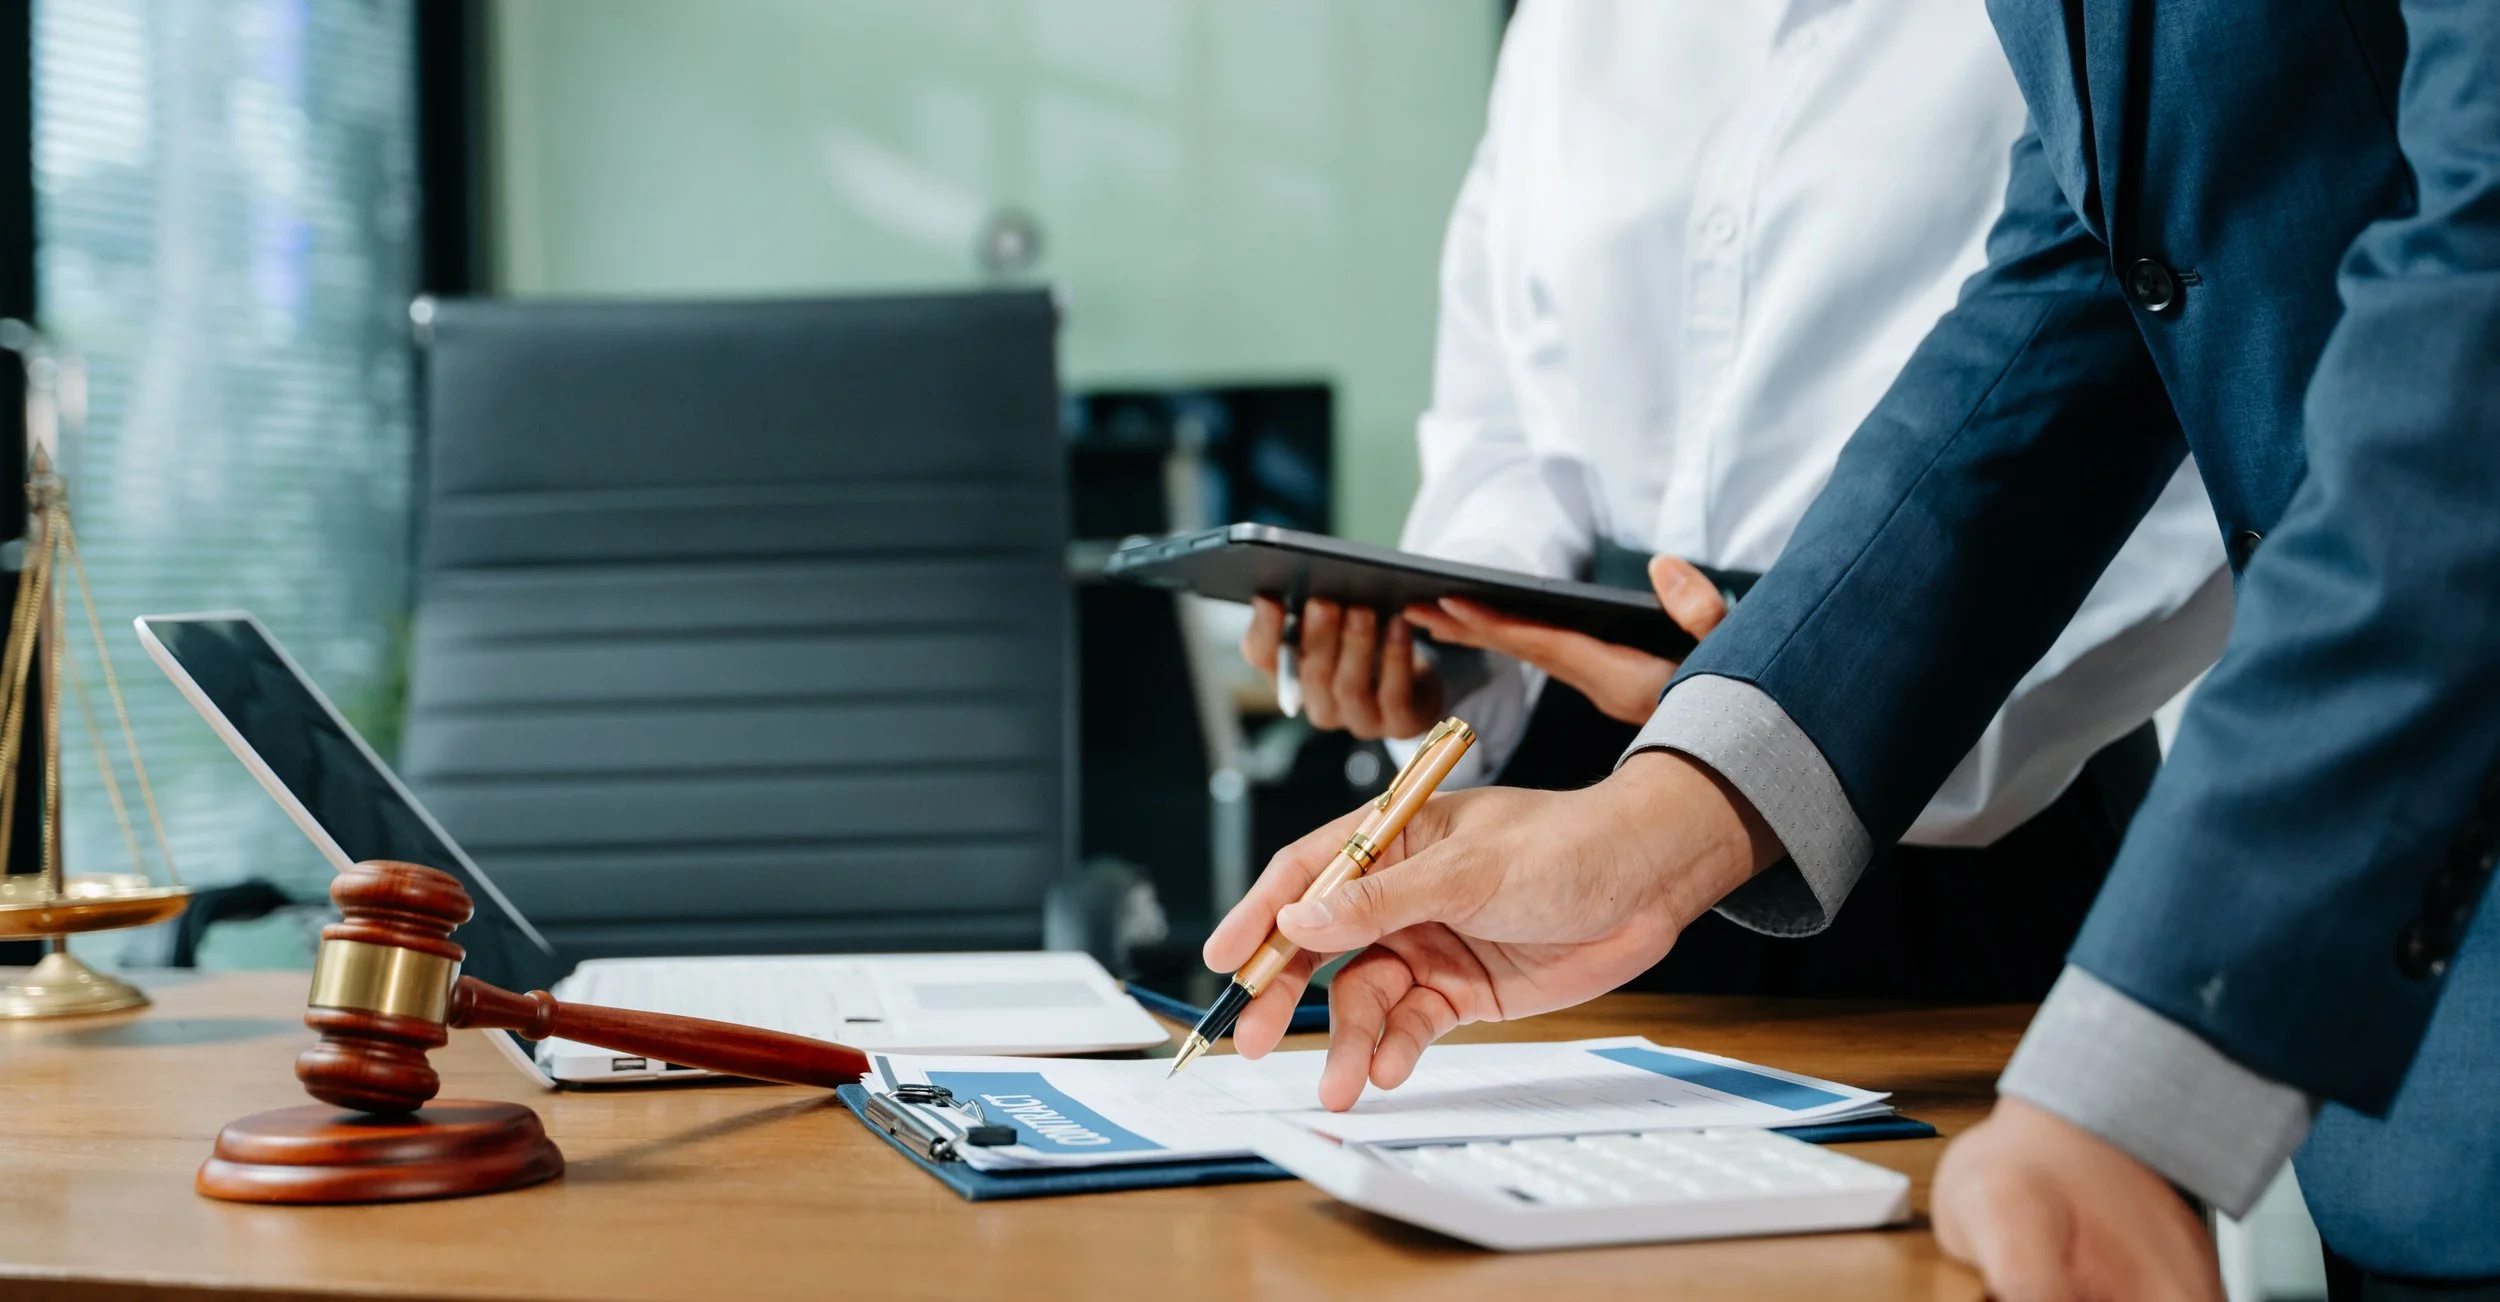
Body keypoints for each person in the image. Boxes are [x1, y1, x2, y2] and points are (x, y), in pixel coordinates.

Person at [1211, 0, 2500, 1295]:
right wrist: (1654, 827)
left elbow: (2462, 382)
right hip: (2415, 1088)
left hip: (2145, 864)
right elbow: (2084, 291)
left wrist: (2133, 1080)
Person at [1238, 0, 2229, 1002]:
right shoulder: (1570, 21)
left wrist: (1783, 697)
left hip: (1960, 785)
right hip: (1575, 769)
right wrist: (1458, 649)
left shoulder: (2061, 25)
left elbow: (2151, 393)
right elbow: (1505, 414)